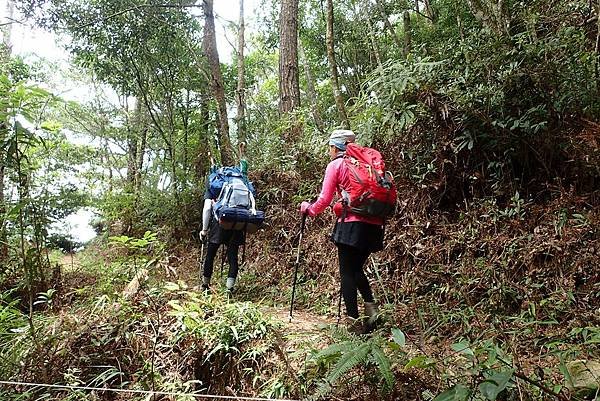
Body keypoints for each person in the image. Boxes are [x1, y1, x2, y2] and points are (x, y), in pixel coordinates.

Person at [299, 130, 383, 334]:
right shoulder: (366, 165)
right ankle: (373, 312)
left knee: (347, 272)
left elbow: (324, 200)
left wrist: (308, 209)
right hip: (374, 225)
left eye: (330, 147)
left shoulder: (336, 165)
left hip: (350, 224)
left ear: (335, 147)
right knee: (356, 269)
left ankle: (354, 324)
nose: (329, 151)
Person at [200, 148, 248, 294]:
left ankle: (205, 287)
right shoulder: (240, 179)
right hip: (238, 220)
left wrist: (204, 229)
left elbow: (208, 208)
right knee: (232, 256)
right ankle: (229, 290)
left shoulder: (214, 182)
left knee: (211, 255)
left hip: (219, 223)